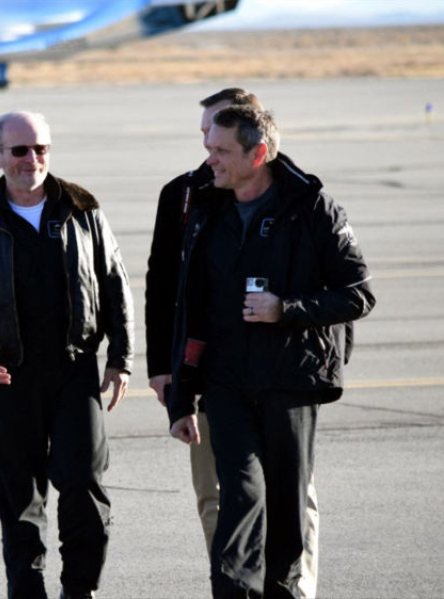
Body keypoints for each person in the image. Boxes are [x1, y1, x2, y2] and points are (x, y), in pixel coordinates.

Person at [166, 105, 375, 598]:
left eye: (221, 150)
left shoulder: (312, 207)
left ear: (258, 153)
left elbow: (358, 294)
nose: (208, 159)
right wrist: (181, 394)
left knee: (285, 508)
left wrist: (287, 308)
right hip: (225, 384)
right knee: (239, 496)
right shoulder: (205, 208)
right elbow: (189, 309)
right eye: (208, 147)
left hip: (291, 382)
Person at [0, 111, 134, 599]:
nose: (32, 159)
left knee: (83, 483)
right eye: (20, 150)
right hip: (9, 377)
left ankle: (79, 589)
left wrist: (121, 357)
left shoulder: (84, 210)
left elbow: (115, 285)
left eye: (41, 148)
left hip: (75, 371)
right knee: (19, 495)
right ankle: (27, 588)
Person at [146, 89, 321, 597]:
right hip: (209, 370)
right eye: (204, 133)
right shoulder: (182, 194)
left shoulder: (291, 195)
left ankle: (295, 589)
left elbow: (340, 284)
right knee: (216, 491)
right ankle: (233, 585)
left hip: (278, 375)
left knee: (293, 495)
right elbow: (166, 286)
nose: (206, 145)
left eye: (216, 136)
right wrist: (163, 365)